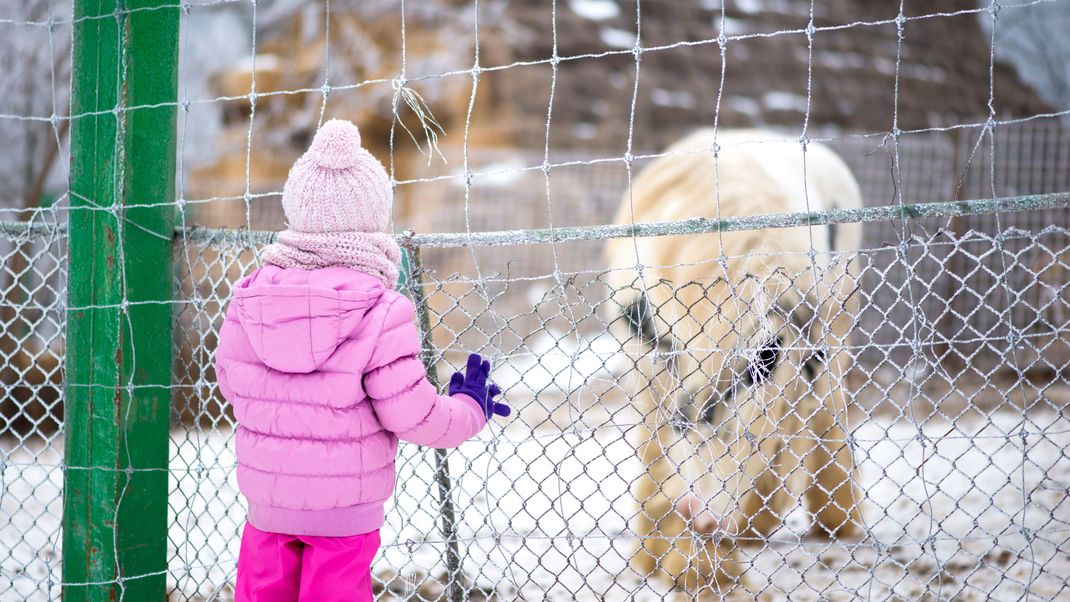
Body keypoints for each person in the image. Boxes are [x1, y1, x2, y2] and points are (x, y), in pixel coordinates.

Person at [214, 119, 510, 601]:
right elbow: (413, 414)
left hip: (266, 505)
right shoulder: (381, 310)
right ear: (374, 217)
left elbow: (232, 382)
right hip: (343, 513)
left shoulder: (249, 297)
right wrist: (469, 406)